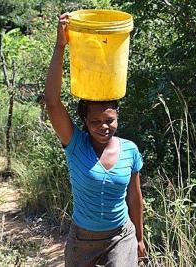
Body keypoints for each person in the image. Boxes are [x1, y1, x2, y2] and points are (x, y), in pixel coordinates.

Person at [45, 13, 145, 266]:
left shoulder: (130, 150)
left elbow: (135, 198)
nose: (104, 127)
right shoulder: (76, 145)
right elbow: (52, 102)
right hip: (83, 239)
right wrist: (60, 46)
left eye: (109, 120)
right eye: (95, 122)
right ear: (85, 124)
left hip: (121, 236)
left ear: (118, 117)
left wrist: (140, 238)